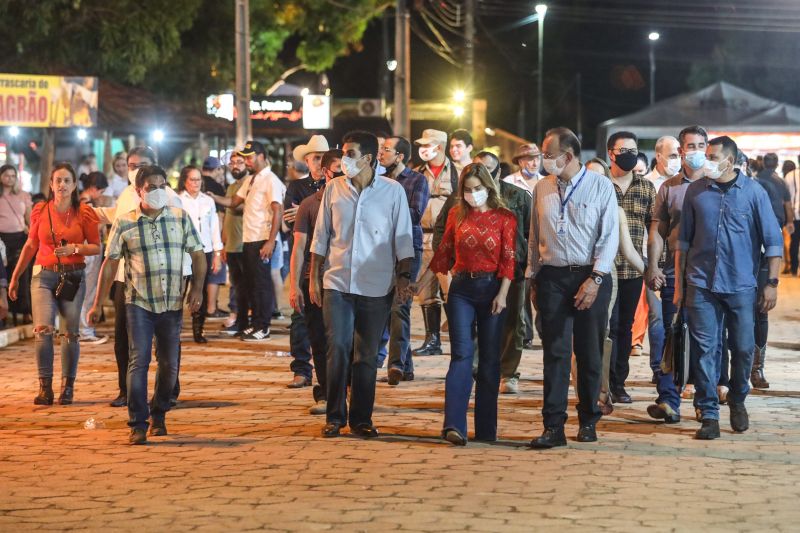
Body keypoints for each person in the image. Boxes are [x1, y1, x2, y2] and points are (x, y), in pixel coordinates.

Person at [89, 165, 206, 445]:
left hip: (172, 302)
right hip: (138, 302)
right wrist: (97, 304)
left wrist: (198, 289)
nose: (157, 191)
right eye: (151, 187)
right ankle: (138, 423)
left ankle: (160, 413)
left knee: (169, 365)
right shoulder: (126, 222)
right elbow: (110, 264)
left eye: (162, 185)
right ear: (139, 190)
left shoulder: (180, 218)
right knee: (138, 361)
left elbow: (199, 255)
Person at [676, 136, 782, 440]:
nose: (705, 159)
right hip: (701, 284)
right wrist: (681, 286)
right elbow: (683, 243)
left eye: (712, 156)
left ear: (731, 160)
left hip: (741, 285)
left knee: (744, 347)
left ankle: (737, 399)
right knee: (705, 350)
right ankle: (708, 411)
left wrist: (771, 284)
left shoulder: (754, 193)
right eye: (705, 154)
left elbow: (773, 243)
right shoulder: (696, 191)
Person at [309, 131, 414, 438]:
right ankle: (335, 416)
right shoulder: (334, 189)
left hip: (376, 285)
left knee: (366, 355)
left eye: (350, 154)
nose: (344, 159)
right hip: (337, 281)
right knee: (338, 347)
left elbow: (403, 238)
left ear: (368, 158)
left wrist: (404, 279)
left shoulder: (392, 192)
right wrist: (315, 277)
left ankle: (361, 419)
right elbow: (321, 236)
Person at [528, 127, 618, 448]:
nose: (544, 161)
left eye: (548, 155)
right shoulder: (542, 188)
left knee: (589, 352)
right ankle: (553, 426)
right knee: (555, 353)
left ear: (567, 156)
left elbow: (609, 238)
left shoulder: (600, 186)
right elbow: (534, 235)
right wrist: (533, 277)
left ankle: (588, 419)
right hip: (552, 277)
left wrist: (595, 279)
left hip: (590, 277)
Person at [430, 163, 516, 445]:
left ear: (488, 187)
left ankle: (486, 428)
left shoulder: (505, 217)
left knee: (490, 360)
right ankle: (453, 425)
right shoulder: (457, 214)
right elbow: (443, 252)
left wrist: (502, 294)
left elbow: (508, 259)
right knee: (461, 355)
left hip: (492, 288)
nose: (472, 194)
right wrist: (416, 284)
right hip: (462, 289)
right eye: (467, 190)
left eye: (477, 189)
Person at [434, 151, 530, 395]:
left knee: (511, 324)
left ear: (495, 174)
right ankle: (472, 369)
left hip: (511, 273)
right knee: (467, 340)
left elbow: (530, 233)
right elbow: (442, 234)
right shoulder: (458, 204)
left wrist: (529, 268)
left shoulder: (516, 197)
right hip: (467, 276)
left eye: (486, 169)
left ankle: (508, 372)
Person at [8, 163, 101, 405]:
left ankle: (67, 387)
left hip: (73, 277)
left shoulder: (84, 213)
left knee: (70, 333)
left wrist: (75, 248)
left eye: (66, 180)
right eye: (57, 180)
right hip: (43, 275)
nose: (62, 185)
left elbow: (96, 246)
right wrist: (16, 276)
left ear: (73, 185)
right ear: (51, 184)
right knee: (43, 330)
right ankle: (44, 387)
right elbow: (30, 246)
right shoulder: (40, 210)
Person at [208, 141, 282, 342]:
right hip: (248, 239)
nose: (247, 161)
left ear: (261, 156)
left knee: (261, 285)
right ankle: (255, 323)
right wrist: (212, 196)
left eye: (250, 157)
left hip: (261, 239)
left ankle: (263, 326)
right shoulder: (252, 179)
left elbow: (278, 210)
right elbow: (233, 202)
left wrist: (271, 241)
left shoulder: (270, 180)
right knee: (251, 285)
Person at [290, 149, 343, 414]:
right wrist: (295, 285)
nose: (343, 175)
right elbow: (299, 247)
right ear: (325, 172)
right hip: (316, 280)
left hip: (347, 280)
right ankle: (327, 393)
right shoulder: (311, 204)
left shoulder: (359, 203)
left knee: (344, 341)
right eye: (338, 170)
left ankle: (345, 391)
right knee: (320, 341)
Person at [606, 131, 655, 405]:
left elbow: (654, 229)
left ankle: (618, 382)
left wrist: (653, 266)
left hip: (632, 271)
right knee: (606, 327)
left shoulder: (646, 188)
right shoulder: (599, 184)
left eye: (634, 150)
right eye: (624, 150)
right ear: (611, 153)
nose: (630, 154)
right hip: (603, 269)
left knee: (624, 328)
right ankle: (602, 381)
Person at [376, 136, 430, 385]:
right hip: (381, 248)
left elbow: (415, 213)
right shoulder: (378, 180)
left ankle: (395, 364)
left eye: (386, 149)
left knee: (401, 304)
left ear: (400, 155)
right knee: (390, 307)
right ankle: (405, 366)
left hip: (409, 248)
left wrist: (384, 207)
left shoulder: (417, 180)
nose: (381, 154)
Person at [281, 135, 330, 387]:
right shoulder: (297, 187)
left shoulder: (337, 186)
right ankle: (301, 368)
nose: (320, 163)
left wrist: (303, 211)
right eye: (316, 158)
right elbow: (290, 218)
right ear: (307, 161)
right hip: (303, 255)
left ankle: (330, 373)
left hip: (330, 259)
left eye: (324, 158)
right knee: (300, 313)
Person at [413, 129, 459, 357]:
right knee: (425, 291)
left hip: (446, 241)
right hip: (422, 238)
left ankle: (460, 338)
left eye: (427, 144)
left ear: (439, 147)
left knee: (451, 290)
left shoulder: (457, 174)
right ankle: (432, 340)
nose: (423, 149)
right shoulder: (416, 173)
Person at [751, 153, 794, 389]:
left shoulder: (762, 186)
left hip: (761, 259)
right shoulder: (775, 182)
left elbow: (772, 240)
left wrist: (772, 282)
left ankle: (756, 368)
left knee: (760, 312)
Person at [178, 165, 223, 343]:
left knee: (200, 290)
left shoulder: (208, 201)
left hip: (204, 251)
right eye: (192, 179)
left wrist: (218, 253)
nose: (196, 183)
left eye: (198, 179)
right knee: (179, 290)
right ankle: (174, 327)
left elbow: (214, 228)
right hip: (183, 252)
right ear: (185, 181)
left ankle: (199, 329)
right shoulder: (178, 200)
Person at [77, 171, 111, 345]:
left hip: (86, 250)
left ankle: (84, 329)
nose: (102, 196)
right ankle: (85, 330)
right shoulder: (87, 203)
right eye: (101, 191)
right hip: (88, 251)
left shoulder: (81, 201)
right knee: (88, 290)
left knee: (86, 290)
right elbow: (93, 229)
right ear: (93, 188)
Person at [0, 164, 33, 325]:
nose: (10, 179)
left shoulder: (23, 195)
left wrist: (31, 231)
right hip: (2, 240)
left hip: (20, 237)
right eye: (7, 175)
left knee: (21, 274)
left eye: (13, 176)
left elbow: (29, 217)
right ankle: (4, 312)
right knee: (4, 276)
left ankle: (25, 311)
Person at [220, 151, 248, 335]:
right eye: (233, 163)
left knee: (244, 285)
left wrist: (211, 197)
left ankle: (245, 321)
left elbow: (237, 206)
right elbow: (227, 215)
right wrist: (223, 243)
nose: (235, 166)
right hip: (231, 244)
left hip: (245, 243)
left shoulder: (250, 184)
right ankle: (239, 319)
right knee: (236, 284)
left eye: (240, 162)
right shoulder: (231, 186)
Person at [199, 157, 228, 318]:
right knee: (215, 272)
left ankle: (200, 308)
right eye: (220, 170)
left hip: (197, 237)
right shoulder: (217, 186)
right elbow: (221, 215)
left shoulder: (195, 183)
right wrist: (221, 240)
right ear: (216, 169)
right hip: (212, 235)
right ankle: (211, 308)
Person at [784, 159, 800, 275]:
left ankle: (794, 269)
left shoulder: (790, 176)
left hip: (794, 214)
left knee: (794, 242)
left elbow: (786, 198)